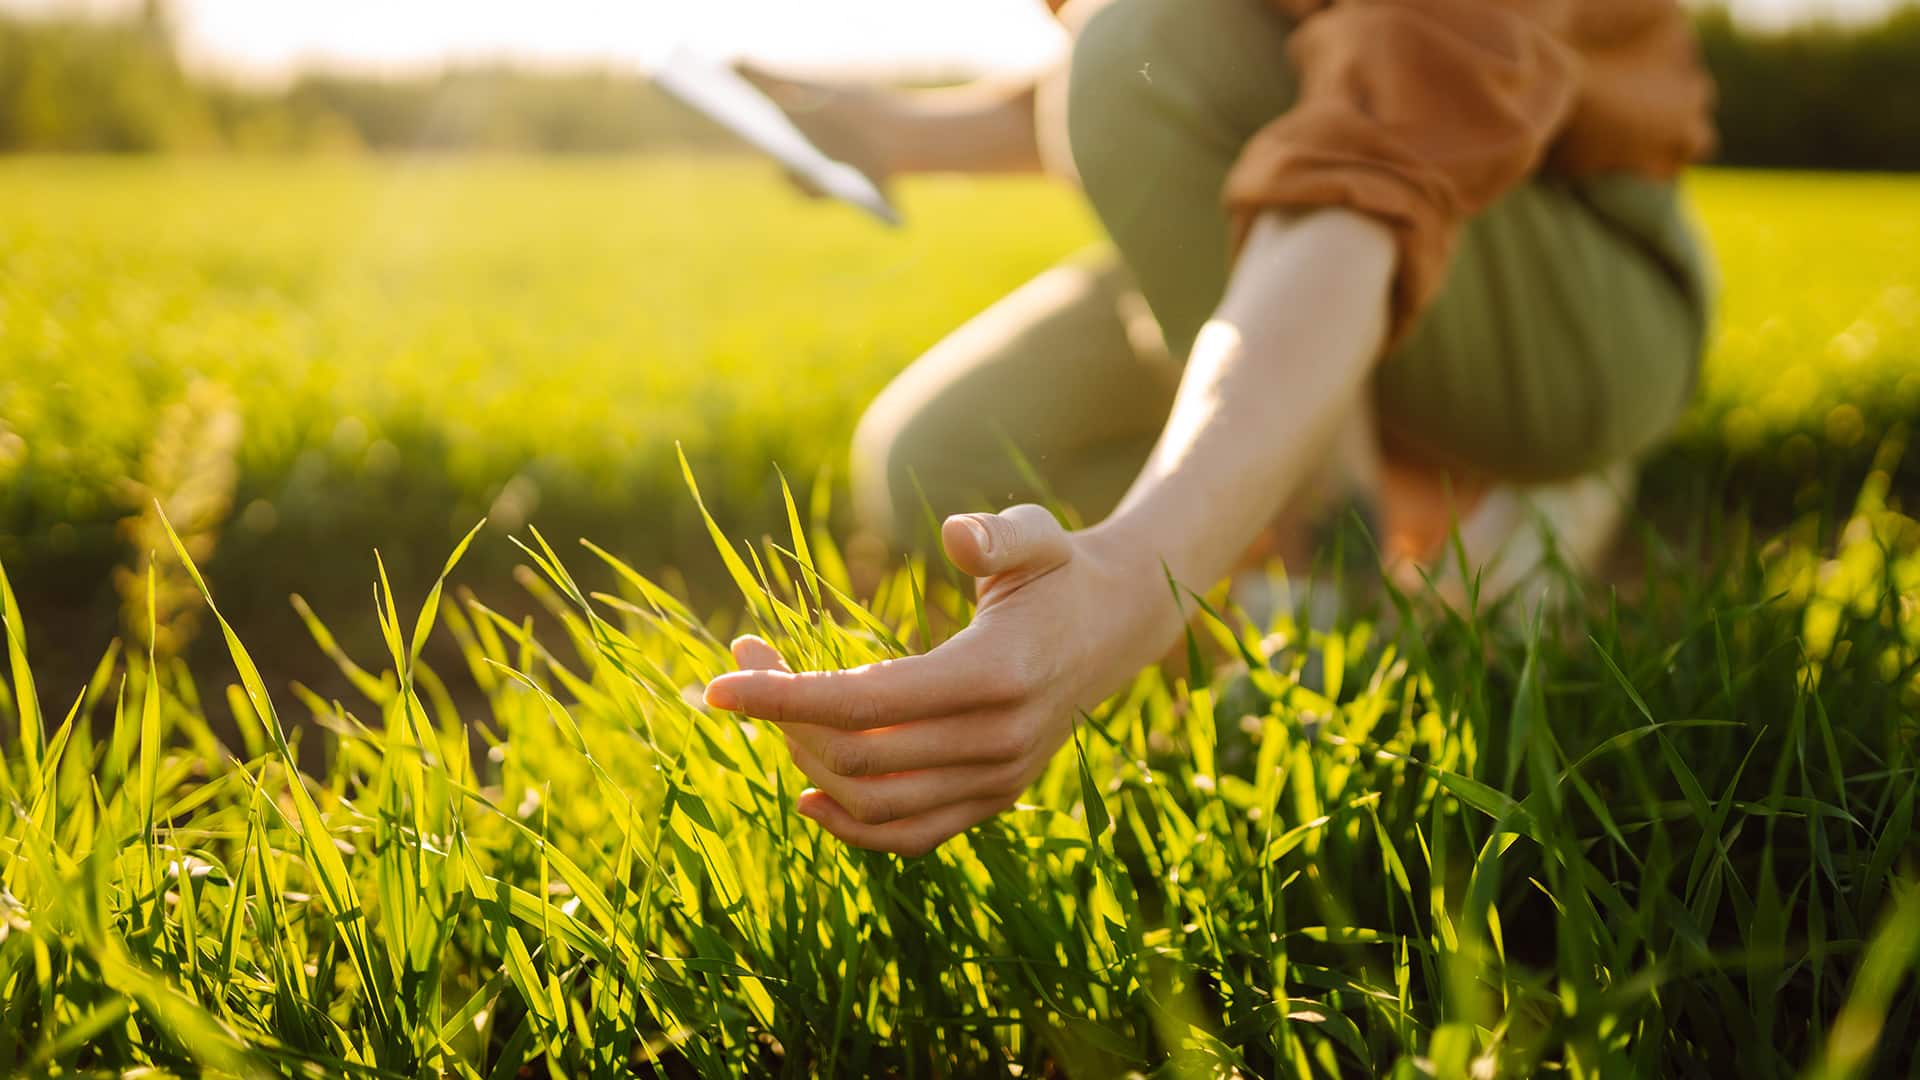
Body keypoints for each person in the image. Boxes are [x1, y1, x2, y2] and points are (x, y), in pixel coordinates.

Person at [707, 0, 1717, 856]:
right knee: (938, 463)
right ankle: (1389, 490)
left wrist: (1138, 577)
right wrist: (892, 132)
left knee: (1141, 37)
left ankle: (1349, 611)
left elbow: (1375, 136)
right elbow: (1176, 65)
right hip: (1339, 198)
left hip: (1576, 276)